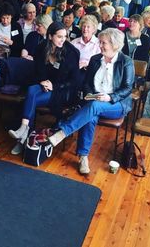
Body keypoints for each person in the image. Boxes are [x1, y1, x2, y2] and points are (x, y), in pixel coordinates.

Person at [48, 28, 134, 174]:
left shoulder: (126, 62)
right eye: (100, 42)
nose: (100, 45)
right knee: (91, 116)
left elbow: (128, 88)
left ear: (115, 44)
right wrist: (90, 95)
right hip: (94, 100)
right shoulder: (95, 59)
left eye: (103, 43)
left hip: (116, 103)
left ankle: (63, 132)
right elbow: (87, 84)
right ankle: (83, 157)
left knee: (94, 107)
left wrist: (110, 97)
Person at [8, 22, 80, 155]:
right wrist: (43, 82)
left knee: (31, 97)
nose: (63, 40)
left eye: (65, 36)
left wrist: (54, 86)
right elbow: (38, 70)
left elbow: (74, 81)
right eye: (59, 36)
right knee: (31, 91)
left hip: (62, 90)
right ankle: (24, 131)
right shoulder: (41, 47)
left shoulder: (71, 53)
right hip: (43, 85)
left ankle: (22, 136)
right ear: (50, 36)